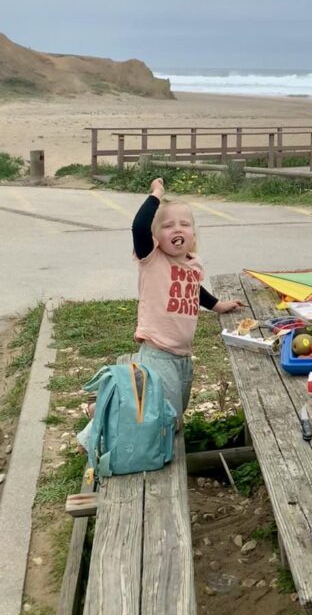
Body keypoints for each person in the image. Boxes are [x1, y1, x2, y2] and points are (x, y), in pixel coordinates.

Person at [79, 177, 243, 446]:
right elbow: (138, 226)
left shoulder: (192, 264)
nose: (177, 229)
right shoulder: (152, 259)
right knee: (169, 417)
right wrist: (156, 195)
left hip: (182, 355)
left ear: (193, 234)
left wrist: (217, 305)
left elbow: (193, 290)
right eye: (167, 225)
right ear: (156, 237)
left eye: (184, 224)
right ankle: (97, 437)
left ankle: (103, 408)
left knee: (174, 405)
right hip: (158, 350)